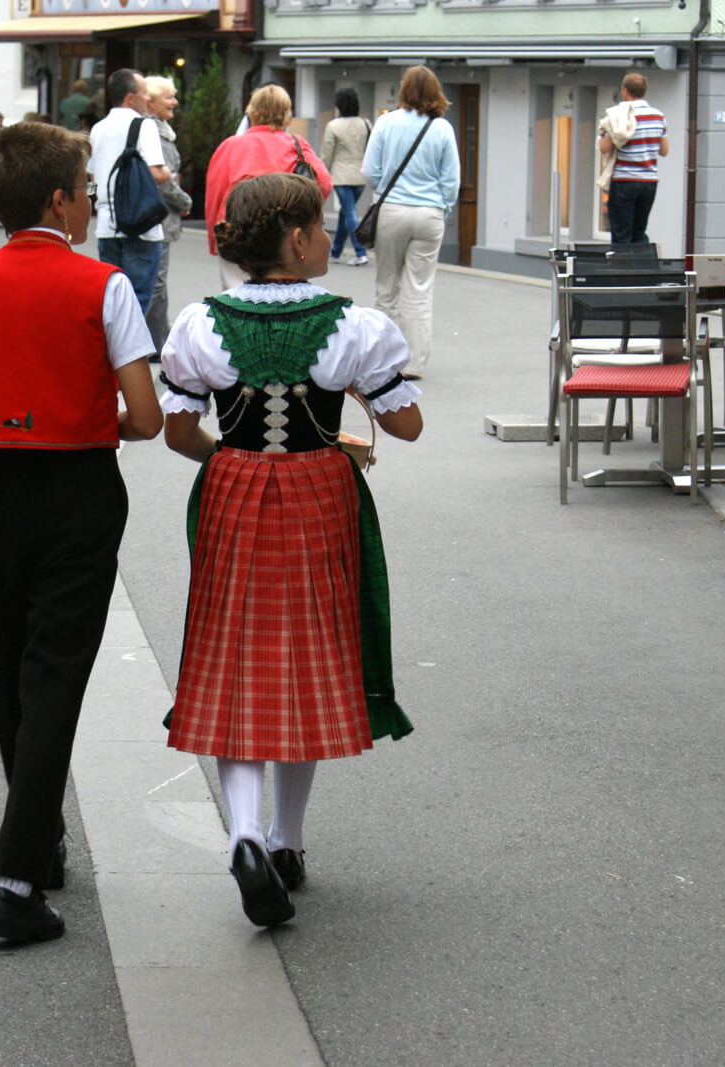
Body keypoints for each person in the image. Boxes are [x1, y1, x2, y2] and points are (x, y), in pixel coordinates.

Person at [0, 121, 163, 943]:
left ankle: (42, 837)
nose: (94, 201)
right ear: (59, 200)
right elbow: (146, 416)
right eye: (89, 190)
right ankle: (14, 878)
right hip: (79, 489)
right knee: (56, 675)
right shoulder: (104, 287)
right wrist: (79, 413)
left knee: (13, 662)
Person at [158, 172, 423, 927]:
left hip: (235, 491)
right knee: (303, 662)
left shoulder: (200, 324)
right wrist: (351, 411)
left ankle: (243, 832)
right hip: (317, 496)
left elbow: (180, 432)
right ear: (300, 240)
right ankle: (287, 839)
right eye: (322, 226)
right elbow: (405, 425)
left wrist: (234, 457)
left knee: (233, 660)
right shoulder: (353, 325)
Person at [361, 65, 458, 379]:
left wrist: (383, 192)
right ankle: (415, 362)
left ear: (403, 90)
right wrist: (442, 207)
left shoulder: (386, 123)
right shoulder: (442, 128)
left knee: (386, 287)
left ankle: (386, 358)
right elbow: (451, 181)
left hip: (392, 210)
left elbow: (369, 171)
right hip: (429, 214)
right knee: (418, 289)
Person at [203, 84, 331, 292]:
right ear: (286, 113)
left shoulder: (231, 146)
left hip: (239, 230)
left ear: (252, 111)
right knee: (286, 292)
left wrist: (215, 238)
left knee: (236, 295)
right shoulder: (297, 145)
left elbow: (215, 195)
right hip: (283, 235)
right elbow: (323, 183)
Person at [89, 68, 171, 317]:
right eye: (144, 93)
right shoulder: (143, 126)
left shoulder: (98, 129)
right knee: (137, 299)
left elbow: (93, 176)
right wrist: (169, 173)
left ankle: (110, 352)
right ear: (130, 97)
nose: (148, 99)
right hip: (140, 224)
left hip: (107, 223)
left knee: (111, 299)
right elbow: (156, 174)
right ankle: (130, 355)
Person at [143, 75, 193, 358]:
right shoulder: (155, 132)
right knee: (156, 282)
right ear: (150, 102)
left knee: (152, 280)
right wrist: (185, 200)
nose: (174, 101)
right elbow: (163, 178)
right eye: (168, 97)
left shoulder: (160, 129)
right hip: (159, 217)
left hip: (157, 216)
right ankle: (156, 342)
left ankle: (153, 339)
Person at [598, 72, 667, 246]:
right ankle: (641, 270)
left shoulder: (617, 116)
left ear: (625, 90)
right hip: (649, 182)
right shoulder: (658, 116)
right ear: (644, 91)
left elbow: (604, 148)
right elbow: (664, 150)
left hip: (624, 180)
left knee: (622, 235)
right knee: (639, 232)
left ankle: (622, 271)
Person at [320, 88, 372, 266]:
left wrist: (322, 174)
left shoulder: (333, 126)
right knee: (345, 212)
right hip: (360, 175)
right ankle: (336, 250)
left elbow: (327, 155)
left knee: (349, 212)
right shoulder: (366, 124)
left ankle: (360, 251)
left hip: (341, 176)